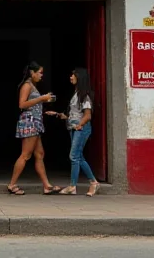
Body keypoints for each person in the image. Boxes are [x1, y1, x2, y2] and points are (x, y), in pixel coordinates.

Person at [6, 61, 59, 196]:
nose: (42, 75)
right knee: (25, 155)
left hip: (35, 122)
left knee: (39, 154)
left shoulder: (33, 86)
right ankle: (12, 184)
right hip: (30, 122)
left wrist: (43, 102)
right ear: (32, 73)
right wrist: (42, 98)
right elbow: (22, 104)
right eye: (40, 73)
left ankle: (47, 185)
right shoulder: (27, 86)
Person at [55, 67, 100, 196]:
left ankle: (77, 185)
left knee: (74, 156)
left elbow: (87, 115)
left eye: (73, 75)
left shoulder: (84, 96)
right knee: (78, 156)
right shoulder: (76, 94)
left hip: (81, 128)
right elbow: (76, 114)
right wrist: (63, 116)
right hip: (74, 128)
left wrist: (79, 125)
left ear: (79, 78)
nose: (71, 77)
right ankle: (87, 184)